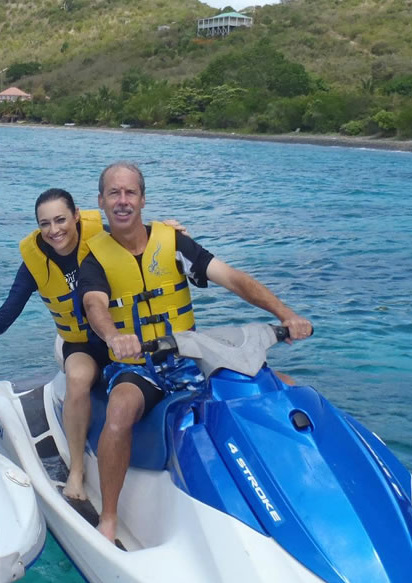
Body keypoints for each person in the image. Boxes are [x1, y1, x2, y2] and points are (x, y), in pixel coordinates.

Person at [78, 161, 313, 544]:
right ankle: (108, 517)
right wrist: (115, 336)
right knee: (120, 410)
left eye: (130, 192)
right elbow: (95, 306)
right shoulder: (95, 258)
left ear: (142, 198)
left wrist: (285, 314)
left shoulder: (172, 244)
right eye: (114, 194)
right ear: (101, 201)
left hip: (188, 354)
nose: (123, 201)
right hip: (138, 363)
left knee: (280, 386)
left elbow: (233, 278)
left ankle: (308, 474)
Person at [0, 190, 188, 502]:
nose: (54, 230)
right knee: (79, 378)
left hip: (122, 340)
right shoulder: (34, 265)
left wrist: (165, 233)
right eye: (45, 223)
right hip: (82, 344)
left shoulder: (104, 240)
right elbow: (2, 320)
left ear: (77, 216)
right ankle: (77, 470)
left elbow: (136, 235)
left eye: (60, 220)